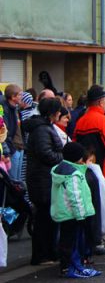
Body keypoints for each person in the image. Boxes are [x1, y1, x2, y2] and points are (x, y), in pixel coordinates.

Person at [73, 85, 105, 254]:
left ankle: (96, 240)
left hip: (83, 169)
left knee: (91, 205)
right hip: (103, 169)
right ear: (101, 102)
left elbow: (75, 144)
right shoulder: (103, 121)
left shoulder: (81, 120)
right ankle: (104, 239)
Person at [24, 98, 65, 265]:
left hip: (43, 178)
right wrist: (64, 156)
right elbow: (46, 153)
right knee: (44, 218)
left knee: (48, 217)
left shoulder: (43, 127)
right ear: (53, 113)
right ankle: (42, 255)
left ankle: (49, 252)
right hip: (42, 179)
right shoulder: (42, 129)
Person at [51, 142, 101, 278]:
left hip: (64, 213)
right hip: (73, 214)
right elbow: (75, 196)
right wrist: (81, 216)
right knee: (74, 242)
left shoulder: (59, 169)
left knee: (65, 240)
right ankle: (74, 267)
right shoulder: (73, 174)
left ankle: (66, 267)